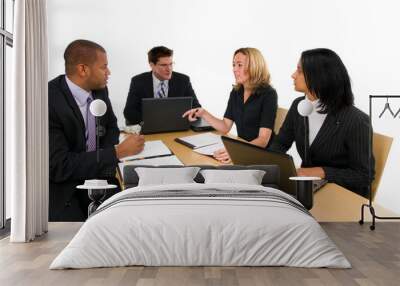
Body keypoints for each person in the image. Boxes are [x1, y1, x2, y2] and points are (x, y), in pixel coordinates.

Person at [49, 39, 145, 222]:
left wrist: (101, 158)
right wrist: (116, 152)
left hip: (100, 175)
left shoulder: (99, 90)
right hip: (65, 189)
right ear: (83, 69)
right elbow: (60, 166)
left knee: (135, 215)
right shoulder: (49, 101)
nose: (108, 73)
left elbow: (111, 126)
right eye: (104, 67)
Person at [270, 48, 374, 197]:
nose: (293, 75)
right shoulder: (298, 106)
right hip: (308, 189)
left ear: (318, 77)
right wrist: (264, 165)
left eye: (299, 71)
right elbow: (280, 144)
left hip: (341, 194)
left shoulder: (356, 120)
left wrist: (322, 172)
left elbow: (364, 176)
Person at [183, 47, 277, 163]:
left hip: (262, 154)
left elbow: (263, 140)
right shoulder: (236, 92)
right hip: (243, 149)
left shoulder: (269, 94)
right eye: (233, 65)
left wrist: (237, 151)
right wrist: (203, 113)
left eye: (239, 65)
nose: (234, 69)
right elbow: (225, 126)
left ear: (254, 66)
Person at [123, 46, 201, 125]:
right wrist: (153, 121)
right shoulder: (138, 81)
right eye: (164, 65)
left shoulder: (183, 80)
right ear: (152, 65)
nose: (169, 69)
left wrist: (184, 118)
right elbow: (129, 112)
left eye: (171, 64)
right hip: (149, 127)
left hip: (176, 126)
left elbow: (197, 108)